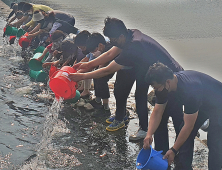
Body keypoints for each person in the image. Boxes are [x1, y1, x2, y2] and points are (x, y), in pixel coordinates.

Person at [68, 17, 183, 141]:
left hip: (169, 75)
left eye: (114, 40)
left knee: (159, 105)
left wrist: (82, 76)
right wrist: (88, 65)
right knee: (136, 94)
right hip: (145, 67)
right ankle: (142, 127)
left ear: (121, 36)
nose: (112, 43)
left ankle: (151, 132)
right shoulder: (130, 34)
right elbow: (109, 54)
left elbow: (108, 70)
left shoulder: (134, 46)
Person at [144, 62, 222, 170]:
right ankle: (184, 167)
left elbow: (188, 126)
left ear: (167, 82)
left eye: (157, 88)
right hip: (203, 103)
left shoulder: (189, 90)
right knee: (183, 132)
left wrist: (174, 150)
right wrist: (149, 134)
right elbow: (158, 111)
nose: (156, 90)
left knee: (215, 141)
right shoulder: (167, 86)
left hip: (219, 104)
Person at [85, 32, 114, 113]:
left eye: (95, 51)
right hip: (106, 65)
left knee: (101, 79)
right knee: (96, 76)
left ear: (100, 45)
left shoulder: (109, 49)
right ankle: (97, 100)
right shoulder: (102, 48)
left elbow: (103, 66)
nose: (94, 53)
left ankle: (105, 107)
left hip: (114, 66)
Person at [74, 30, 93, 98]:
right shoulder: (89, 50)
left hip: (104, 67)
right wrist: (77, 65)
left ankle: (86, 90)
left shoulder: (95, 51)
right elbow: (85, 59)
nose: (82, 50)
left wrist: (77, 73)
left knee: (87, 72)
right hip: (94, 64)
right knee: (85, 70)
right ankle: (83, 87)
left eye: (83, 48)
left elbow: (90, 66)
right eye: (80, 48)